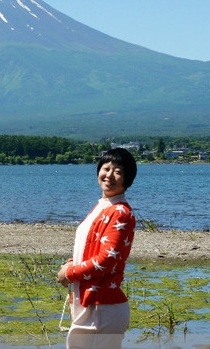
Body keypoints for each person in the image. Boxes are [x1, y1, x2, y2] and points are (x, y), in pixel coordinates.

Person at [57, 147, 137, 349]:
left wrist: (69, 273)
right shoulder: (103, 205)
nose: (109, 175)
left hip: (102, 309)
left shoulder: (120, 212)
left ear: (127, 179)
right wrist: (70, 263)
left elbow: (106, 261)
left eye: (118, 171)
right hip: (92, 305)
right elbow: (89, 247)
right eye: (106, 168)